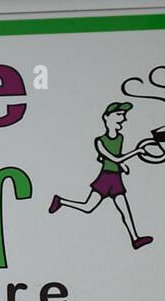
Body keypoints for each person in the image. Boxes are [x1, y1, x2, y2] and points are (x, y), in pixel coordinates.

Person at [49, 101, 154, 250]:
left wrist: (121, 165)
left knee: (124, 209)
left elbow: (111, 157)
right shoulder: (100, 141)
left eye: (123, 116)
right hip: (105, 178)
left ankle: (135, 239)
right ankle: (61, 201)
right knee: (88, 207)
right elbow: (115, 158)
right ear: (107, 118)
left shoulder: (120, 138)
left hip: (116, 178)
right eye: (119, 115)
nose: (123, 119)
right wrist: (136, 152)